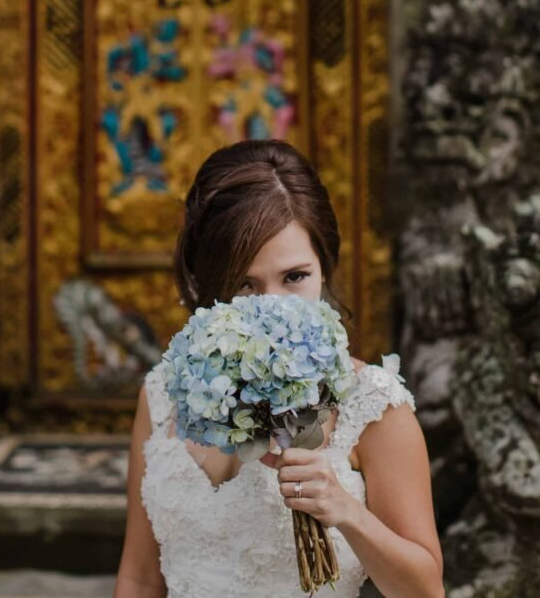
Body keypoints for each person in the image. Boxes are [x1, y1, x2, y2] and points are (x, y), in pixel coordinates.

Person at [114, 140, 444, 598]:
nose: (272, 306)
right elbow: (139, 578)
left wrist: (346, 510)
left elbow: (426, 592)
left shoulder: (373, 407)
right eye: (244, 284)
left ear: (324, 267)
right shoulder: (162, 394)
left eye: (294, 277)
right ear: (209, 282)